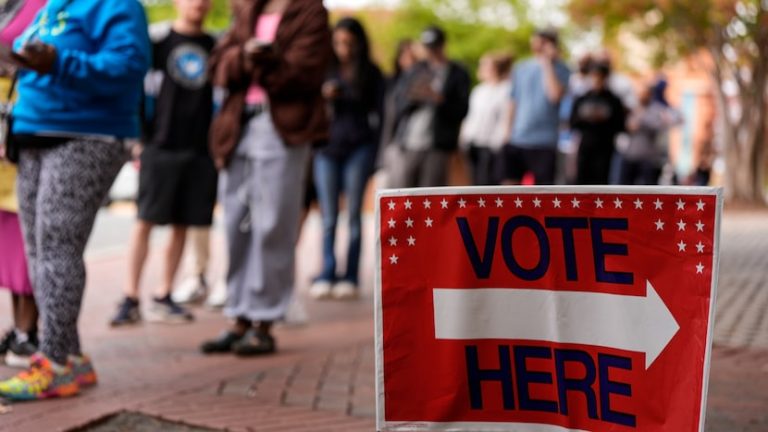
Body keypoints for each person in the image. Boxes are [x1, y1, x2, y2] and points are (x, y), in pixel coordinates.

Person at [0, 0, 150, 401]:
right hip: (34, 132)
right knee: (39, 251)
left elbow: (128, 67)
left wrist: (58, 61)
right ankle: (71, 355)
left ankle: (54, 364)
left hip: (87, 135)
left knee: (57, 248)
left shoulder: (117, 5)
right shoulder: (51, 5)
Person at [200, 0, 331, 356]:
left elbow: (306, 72)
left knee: (273, 224)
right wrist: (245, 57)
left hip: (282, 128)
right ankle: (238, 316)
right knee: (234, 224)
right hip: (238, 125)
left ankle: (264, 321)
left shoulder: (310, 11)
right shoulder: (244, 7)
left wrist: (266, 60)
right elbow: (218, 64)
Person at [110, 0, 216, 327]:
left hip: (200, 151)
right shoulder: (156, 44)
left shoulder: (216, 47)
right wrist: (140, 140)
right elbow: (136, 90)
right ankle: (130, 297)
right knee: (145, 220)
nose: (198, 3)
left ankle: (164, 294)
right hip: (160, 146)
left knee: (183, 224)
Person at [308, 17, 385, 300]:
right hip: (326, 149)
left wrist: (377, 155)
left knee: (354, 216)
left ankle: (350, 275)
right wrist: (324, 95)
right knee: (328, 217)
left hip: (359, 149)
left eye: (349, 43)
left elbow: (381, 116)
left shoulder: (372, 73)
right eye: (339, 42)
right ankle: (327, 271)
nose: (344, 48)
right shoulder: (323, 70)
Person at [0, 0, 45, 370]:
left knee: (27, 233)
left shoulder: (47, 5)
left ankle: (29, 331)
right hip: (5, 125)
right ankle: (17, 330)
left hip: (23, 130)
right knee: (9, 238)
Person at [387, 26, 470, 188]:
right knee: (404, 194)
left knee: (431, 196)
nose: (432, 52)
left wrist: (439, 99)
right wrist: (416, 96)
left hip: (438, 145)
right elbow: (398, 103)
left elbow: (462, 110)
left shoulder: (457, 73)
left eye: (435, 47)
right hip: (408, 142)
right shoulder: (416, 70)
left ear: (443, 45)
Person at [500, 29, 570, 185]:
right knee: (509, 188)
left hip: (544, 141)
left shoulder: (563, 69)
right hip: (517, 138)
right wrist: (507, 133)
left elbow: (555, 95)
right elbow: (513, 101)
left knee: (542, 193)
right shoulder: (521, 68)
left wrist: (547, 63)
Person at [569, 61, 626, 184]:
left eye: (600, 76)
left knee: (601, 182)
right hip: (585, 146)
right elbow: (572, 123)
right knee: (581, 182)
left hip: (605, 148)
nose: (596, 80)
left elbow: (620, 125)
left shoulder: (614, 101)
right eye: (594, 76)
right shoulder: (582, 99)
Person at [460, 52, 512, 185]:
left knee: (487, 183)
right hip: (473, 144)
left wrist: (500, 142)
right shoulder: (478, 91)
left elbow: (505, 119)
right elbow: (471, 117)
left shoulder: (506, 90)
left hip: (492, 146)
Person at [618, 83, 679, 185]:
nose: (642, 96)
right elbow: (626, 126)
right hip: (631, 154)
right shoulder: (633, 109)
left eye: (644, 94)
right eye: (640, 94)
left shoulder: (657, 110)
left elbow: (659, 126)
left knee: (648, 186)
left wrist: (642, 121)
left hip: (649, 157)